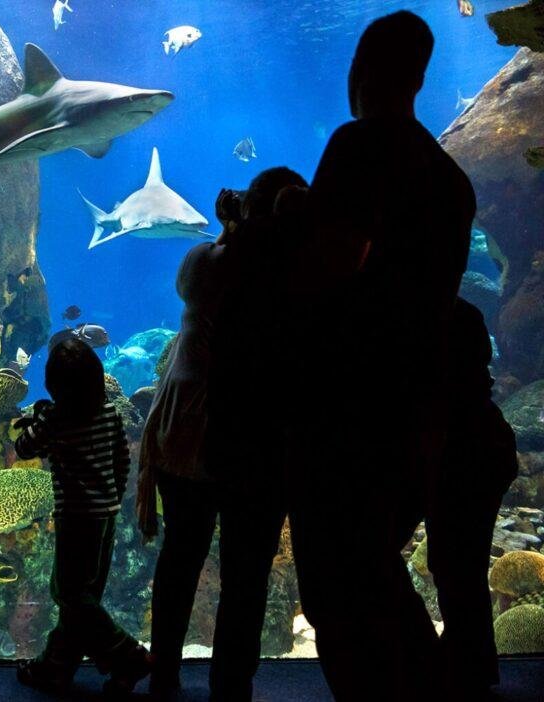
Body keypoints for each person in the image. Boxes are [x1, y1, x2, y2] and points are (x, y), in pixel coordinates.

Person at [285, 11, 476, 700]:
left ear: (361, 71)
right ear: (421, 77)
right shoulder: (452, 179)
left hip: (347, 411)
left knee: (336, 591)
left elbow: (326, 274)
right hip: (421, 413)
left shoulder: (361, 146)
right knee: (375, 574)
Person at [138, 167, 307, 700]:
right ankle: (233, 686)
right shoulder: (303, 272)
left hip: (191, 430)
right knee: (247, 572)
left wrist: (230, 232)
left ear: (246, 210)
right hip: (263, 440)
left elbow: (189, 281)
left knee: (180, 556)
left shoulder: (212, 263)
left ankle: (164, 673)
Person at [14, 339, 151, 696]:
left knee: (69, 593)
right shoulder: (109, 414)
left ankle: (128, 655)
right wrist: (114, 496)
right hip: (105, 515)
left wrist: (38, 419)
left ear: (54, 386)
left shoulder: (57, 419)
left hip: (76, 518)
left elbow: (26, 447)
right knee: (82, 596)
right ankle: (54, 669)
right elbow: (122, 459)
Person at [427, 298, 518, 702]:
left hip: (464, 453)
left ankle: (467, 667)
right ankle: (472, 663)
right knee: (460, 565)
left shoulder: (436, 316)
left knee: (454, 565)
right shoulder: (462, 313)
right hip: (485, 447)